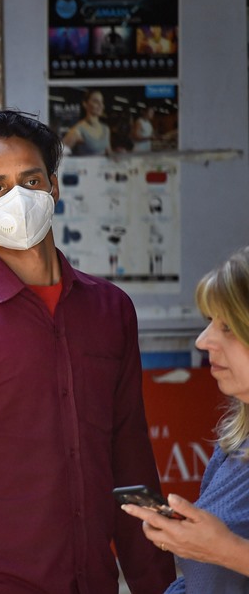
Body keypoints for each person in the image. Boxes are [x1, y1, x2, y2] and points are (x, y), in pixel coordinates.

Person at [0, 110, 175, 593]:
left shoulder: (110, 310)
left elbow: (132, 461)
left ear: (53, 186)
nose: (18, 198)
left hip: (94, 580)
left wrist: (159, 586)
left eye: (30, 180)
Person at [122, 246, 249, 591]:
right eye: (210, 322)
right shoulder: (234, 444)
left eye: (229, 327)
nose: (203, 340)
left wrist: (227, 550)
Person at [62, 89, 111, 156]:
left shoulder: (106, 129)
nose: (100, 105)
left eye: (102, 102)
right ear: (85, 104)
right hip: (85, 166)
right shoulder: (78, 130)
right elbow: (59, 154)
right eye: (96, 101)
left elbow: (109, 154)